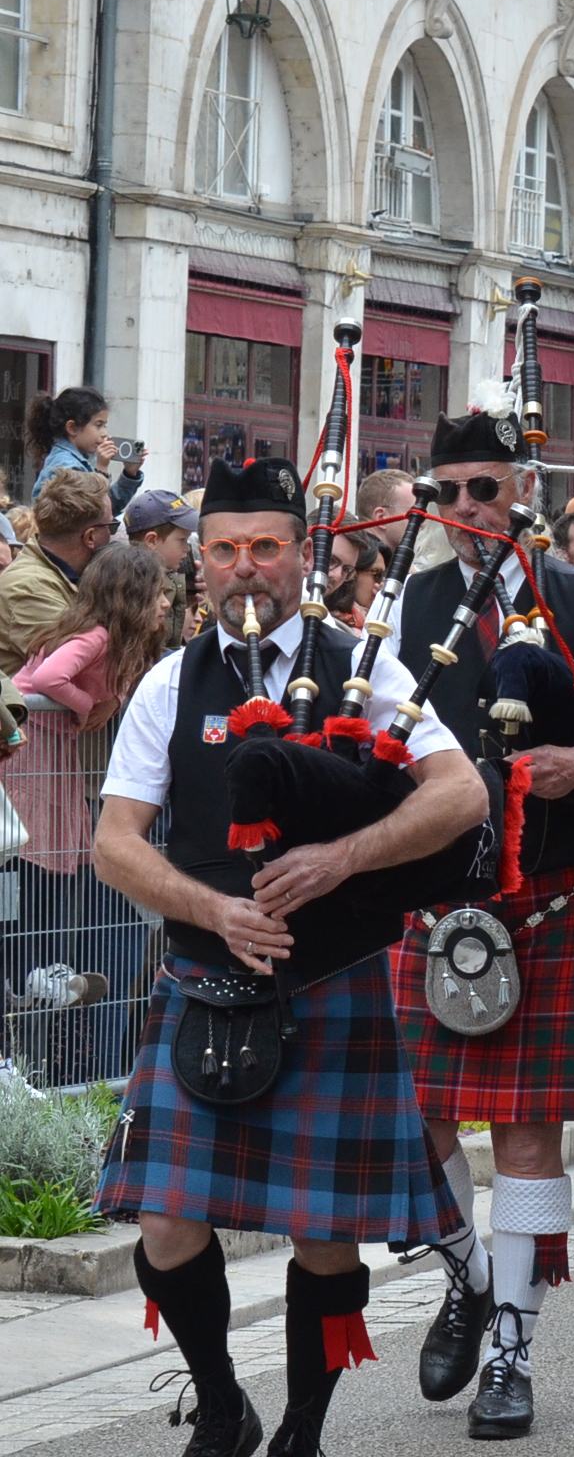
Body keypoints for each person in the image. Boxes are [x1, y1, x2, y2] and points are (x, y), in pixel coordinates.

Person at [90, 456, 487, 1457]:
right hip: (203, 977)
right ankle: (223, 1407)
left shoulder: (368, 666)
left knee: (327, 1237)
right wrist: (214, 911)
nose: (244, 567)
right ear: (200, 564)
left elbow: (461, 795)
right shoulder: (172, 682)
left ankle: (302, 1430)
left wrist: (343, 856)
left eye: (266, 547)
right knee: (166, 1226)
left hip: (332, 982)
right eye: (224, 549)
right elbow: (115, 844)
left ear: (303, 557)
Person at [383, 406, 574, 1439]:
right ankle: (468, 1277)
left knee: (526, 1136)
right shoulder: (400, 608)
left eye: (485, 488)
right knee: (412, 1122)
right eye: (447, 493)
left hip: (553, 896)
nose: (467, 509)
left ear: (523, 490)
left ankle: (511, 1356)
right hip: (430, 902)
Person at [0, 541, 172, 1069]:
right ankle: (28, 973)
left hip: (56, 752)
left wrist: (107, 701)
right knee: (32, 858)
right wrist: (85, 706)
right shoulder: (95, 636)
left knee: (61, 860)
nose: (167, 603)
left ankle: (40, 971)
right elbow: (46, 679)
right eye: (159, 593)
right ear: (131, 596)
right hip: (33, 754)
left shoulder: (118, 642)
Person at [0, 470, 115, 675]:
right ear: (90, 537)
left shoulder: (71, 575)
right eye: (111, 526)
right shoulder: (29, 588)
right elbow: (87, 670)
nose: (112, 536)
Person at [28, 386, 146, 518]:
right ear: (72, 428)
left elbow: (110, 506)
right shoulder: (66, 467)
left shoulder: (79, 459)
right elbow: (94, 512)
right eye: (98, 425)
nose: (105, 433)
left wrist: (130, 474)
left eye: (105, 425)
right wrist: (101, 470)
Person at [123, 489, 198, 572]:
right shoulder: (133, 580)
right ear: (152, 541)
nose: (188, 548)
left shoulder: (177, 572)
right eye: (182, 540)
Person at [356, 469, 417, 553]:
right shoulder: (363, 558)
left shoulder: (352, 551)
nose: (423, 523)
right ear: (381, 518)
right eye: (414, 514)